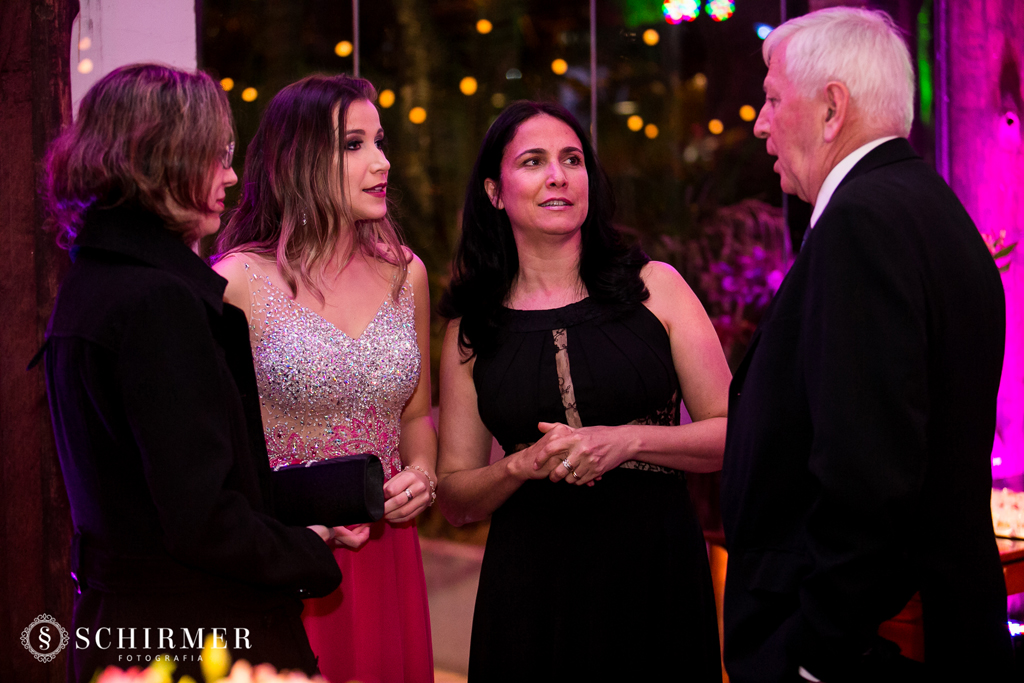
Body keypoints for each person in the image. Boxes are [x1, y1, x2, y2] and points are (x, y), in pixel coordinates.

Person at [720, 8, 1015, 683]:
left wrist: (816, 655)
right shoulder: (930, 205)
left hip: (862, 650)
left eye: (770, 98)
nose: (760, 123)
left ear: (831, 109)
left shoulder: (861, 225)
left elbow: (867, 471)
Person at [38, 64, 343, 683]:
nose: (231, 175)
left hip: (122, 626)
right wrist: (310, 552)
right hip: (195, 636)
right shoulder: (157, 301)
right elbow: (200, 520)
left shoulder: (91, 282)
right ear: (162, 160)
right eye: (216, 157)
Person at [436, 101, 731, 682]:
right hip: (531, 590)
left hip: (655, 574)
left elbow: (733, 432)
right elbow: (455, 498)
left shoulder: (656, 288)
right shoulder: (472, 330)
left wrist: (625, 441)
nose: (558, 176)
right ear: (496, 192)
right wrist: (519, 467)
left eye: (572, 159)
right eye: (534, 161)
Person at [212, 74, 436, 683]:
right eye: (354, 145)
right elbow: (217, 450)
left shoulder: (405, 274)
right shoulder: (236, 283)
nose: (382, 162)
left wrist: (423, 474)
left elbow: (414, 415)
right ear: (298, 159)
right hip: (291, 552)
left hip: (389, 550)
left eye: (381, 142)